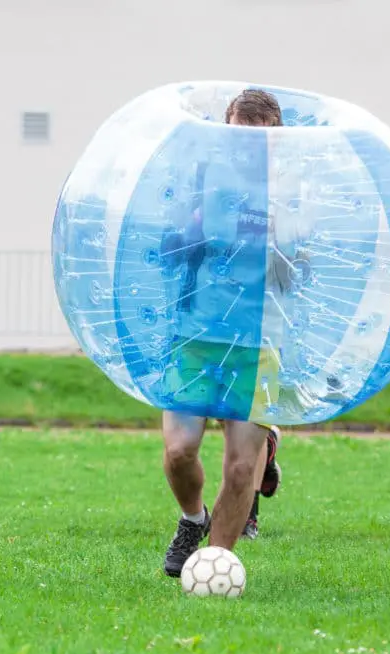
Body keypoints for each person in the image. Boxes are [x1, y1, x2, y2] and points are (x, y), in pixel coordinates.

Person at [158, 88, 289, 577]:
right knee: (179, 452)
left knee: (238, 468)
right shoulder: (202, 183)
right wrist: (186, 238)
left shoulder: (292, 197)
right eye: (239, 138)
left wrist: (280, 246)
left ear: (276, 140)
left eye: (259, 140)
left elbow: (299, 274)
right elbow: (169, 248)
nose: (247, 150)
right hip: (195, 336)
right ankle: (193, 518)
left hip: (257, 345)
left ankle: (213, 565)